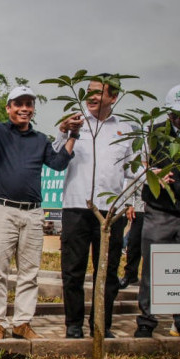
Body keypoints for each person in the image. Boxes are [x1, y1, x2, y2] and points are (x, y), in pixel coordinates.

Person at [0, 77, 78, 340]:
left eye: (29, 104)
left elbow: (58, 163)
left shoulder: (40, 139)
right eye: (19, 104)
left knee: (29, 272)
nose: (24, 108)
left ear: (33, 109)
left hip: (34, 213)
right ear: (10, 107)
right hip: (2, 210)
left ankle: (22, 322)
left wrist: (73, 135)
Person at [53, 75, 134, 339]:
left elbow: (135, 170)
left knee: (108, 272)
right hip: (76, 207)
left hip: (110, 213)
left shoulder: (126, 130)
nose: (92, 96)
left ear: (113, 97)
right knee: (73, 270)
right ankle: (73, 324)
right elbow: (55, 156)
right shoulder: (76, 124)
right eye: (88, 91)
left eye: (99, 92)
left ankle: (101, 324)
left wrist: (131, 199)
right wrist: (64, 131)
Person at [135, 84, 180, 337]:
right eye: (173, 113)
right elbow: (138, 165)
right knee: (152, 267)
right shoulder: (153, 132)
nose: (177, 119)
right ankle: (146, 321)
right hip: (159, 210)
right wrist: (151, 174)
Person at [119, 184, 144, 289]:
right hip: (139, 211)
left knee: (153, 246)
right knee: (133, 243)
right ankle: (130, 275)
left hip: (160, 212)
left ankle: (150, 278)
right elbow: (131, 185)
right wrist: (128, 205)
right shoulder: (139, 169)